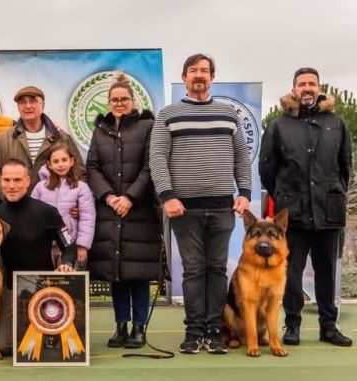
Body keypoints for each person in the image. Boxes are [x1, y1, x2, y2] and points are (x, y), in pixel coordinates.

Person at [149, 54, 251, 354]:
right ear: (184, 78)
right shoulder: (168, 115)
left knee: (217, 269)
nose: (199, 75)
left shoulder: (229, 114)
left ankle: (214, 332)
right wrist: (167, 195)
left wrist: (244, 192)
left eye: (204, 71)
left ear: (212, 77)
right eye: (193, 70)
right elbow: (157, 158)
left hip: (223, 207)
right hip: (184, 208)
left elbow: (242, 157)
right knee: (193, 270)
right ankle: (194, 333)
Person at [260, 67, 352, 347]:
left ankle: (329, 326)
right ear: (294, 89)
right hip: (293, 213)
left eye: (312, 83)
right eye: (302, 84)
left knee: (327, 272)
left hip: (328, 211)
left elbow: (345, 167)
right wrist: (284, 195)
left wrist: (333, 192)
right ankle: (292, 325)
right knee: (291, 272)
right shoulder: (279, 125)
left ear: (319, 88)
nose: (307, 88)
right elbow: (267, 169)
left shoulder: (336, 123)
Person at [0, 159, 76, 353]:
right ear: (1, 181)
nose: (11, 186)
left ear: (27, 181)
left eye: (17, 180)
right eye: (7, 180)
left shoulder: (48, 212)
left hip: (41, 288)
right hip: (9, 289)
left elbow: (69, 245)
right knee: (4, 346)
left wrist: (67, 263)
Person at [85, 73, 161, 349]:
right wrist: (107, 196)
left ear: (133, 100)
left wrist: (129, 197)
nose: (119, 104)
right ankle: (120, 326)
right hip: (109, 212)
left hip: (139, 212)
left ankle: (139, 327)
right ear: (108, 102)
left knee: (138, 273)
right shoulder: (100, 131)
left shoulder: (148, 126)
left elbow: (151, 167)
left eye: (124, 99)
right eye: (114, 100)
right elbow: (92, 167)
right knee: (115, 272)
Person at [0, 85, 83, 198]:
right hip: (16, 206)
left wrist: (73, 199)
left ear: (43, 105)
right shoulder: (3, 139)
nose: (28, 106)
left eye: (33, 101)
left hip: (54, 205)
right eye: (22, 102)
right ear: (18, 107)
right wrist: (8, 195)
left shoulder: (62, 138)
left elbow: (79, 172)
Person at [30, 142, 95, 269]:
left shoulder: (81, 187)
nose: (60, 164)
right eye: (56, 161)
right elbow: (31, 214)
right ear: (49, 164)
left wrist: (82, 245)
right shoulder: (40, 187)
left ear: (72, 161)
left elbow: (87, 218)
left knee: (68, 278)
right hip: (45, 246)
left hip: (71, 246)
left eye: (64, 160)